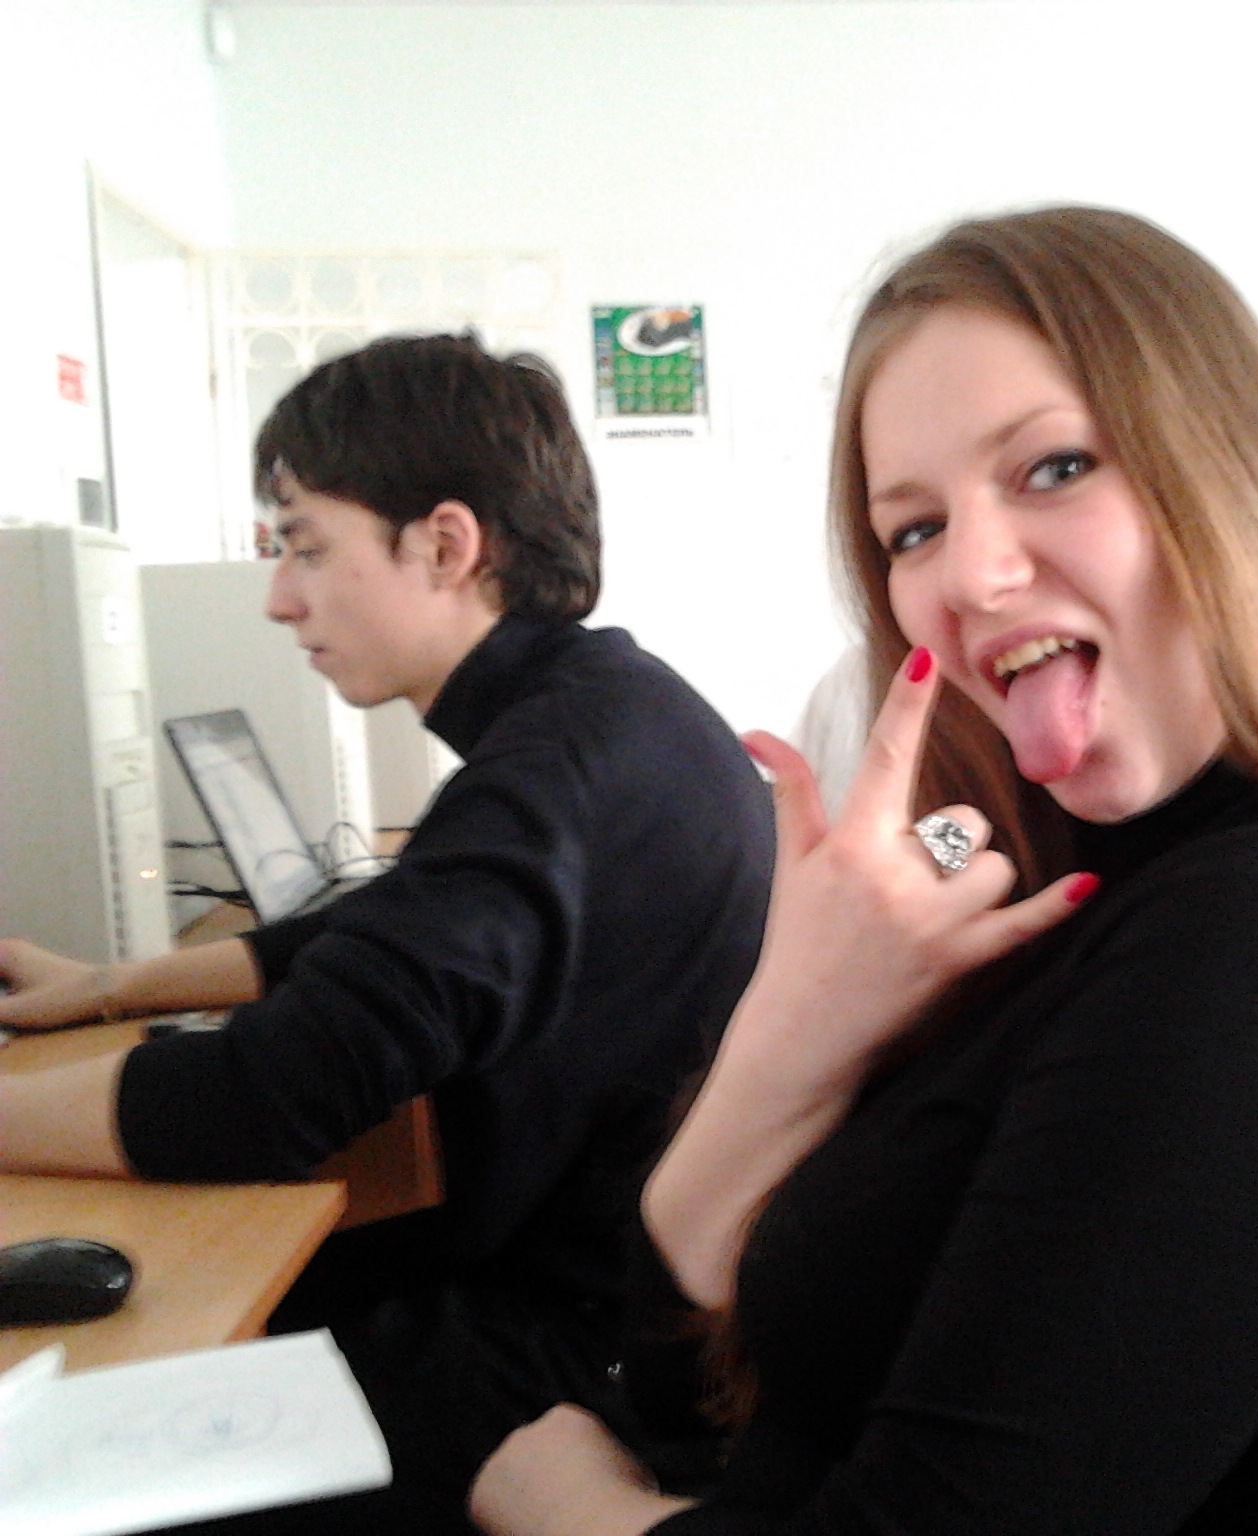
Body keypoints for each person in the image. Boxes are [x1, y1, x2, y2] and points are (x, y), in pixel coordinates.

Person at [469, 208, 1258, 1536]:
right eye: (911, 531)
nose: (971, 574)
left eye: (1055, 467)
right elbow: (696, 1388)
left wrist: (563, 1513)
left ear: (1230, 480)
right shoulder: (1051, 883)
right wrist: (782, 1044)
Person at [0, 335, 775, 1534]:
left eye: (307, 546)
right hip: (615, 1300)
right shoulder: (605, 712)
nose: (279, 598)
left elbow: (266, 1097)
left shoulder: (549, 774)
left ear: (447, 546)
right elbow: (378, 929)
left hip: (565, 1361)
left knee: (56, 1464)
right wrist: (109, 985)